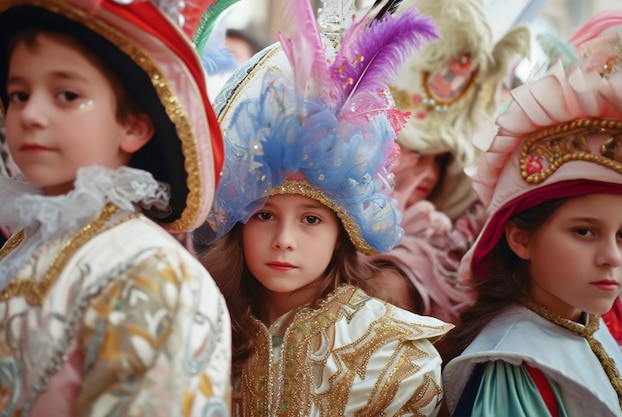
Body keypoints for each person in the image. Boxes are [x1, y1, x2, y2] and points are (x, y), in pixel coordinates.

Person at [195, 0, 453, 415]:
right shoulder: (202, 326)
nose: (283, 241)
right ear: (239, 223)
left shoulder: (393, 356)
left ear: (343, 233)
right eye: (264, 215)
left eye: (311, 219)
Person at [0, 1, 232, 415]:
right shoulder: (22, 247)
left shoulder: (153, 275)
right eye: (19, 94)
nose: (31, 114)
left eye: (67, 95)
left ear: (134, 125)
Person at [438, 18, 622, 417]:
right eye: (584, 231)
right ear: (520, 238)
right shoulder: (514, 365)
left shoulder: (589, 323)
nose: (612, 256)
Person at [364, 0, 530, 323]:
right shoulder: (318, 220)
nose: (428, 173)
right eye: (415, 153)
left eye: (440, 160)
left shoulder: (443, 249)